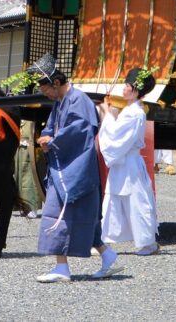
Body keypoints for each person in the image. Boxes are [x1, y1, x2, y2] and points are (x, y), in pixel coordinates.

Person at [34, 58, 116, 282]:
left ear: (56, 82)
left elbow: (80, 131)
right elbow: (51, 126)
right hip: (66, 165)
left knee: (56, 213)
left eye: (45, 88)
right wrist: (46, 137)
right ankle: (107, 255)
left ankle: (62, 268)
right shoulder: (61, 101)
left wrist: (53, 141)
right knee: (82, 215)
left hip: (76, 167)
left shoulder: (79, 99)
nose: (45, 93)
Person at [97, 69, 159, 263]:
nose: (123, 89)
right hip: (124, 162)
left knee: (137, 202)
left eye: (126, 86)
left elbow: (116, 136)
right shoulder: (130, 110)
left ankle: (148, 243)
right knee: (113, 200)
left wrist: (107, 115)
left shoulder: (135, 113)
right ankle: (103, 240)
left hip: (130, 163)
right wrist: (111, 114)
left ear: (135, 90)